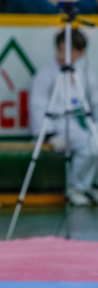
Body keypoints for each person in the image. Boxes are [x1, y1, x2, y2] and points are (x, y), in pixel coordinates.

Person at [31, 28, 98, 207]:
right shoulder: (46, 74)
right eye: (59, 49)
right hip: (59, 123)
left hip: (84, 122)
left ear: (81, 52)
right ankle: (76, 187)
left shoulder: (86, 74)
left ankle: (90, 185)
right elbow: (38, 105)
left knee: (95, 142)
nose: (62, 55)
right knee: (89, 146)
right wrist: (49, 134)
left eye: (68, 51)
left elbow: (96, 102)